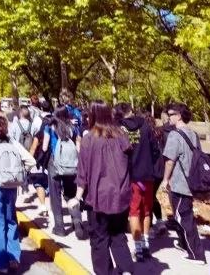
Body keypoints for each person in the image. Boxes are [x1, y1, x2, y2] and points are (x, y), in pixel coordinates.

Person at [72, 100, 133, 275]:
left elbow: (82, 173)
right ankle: (126, 269)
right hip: (120, 195)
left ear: (92, 114)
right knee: (118, 236)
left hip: (97, 198)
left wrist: (77, 197)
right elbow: (129, 163)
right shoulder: (121, 135)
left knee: (99, 240)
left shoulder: (89, 139)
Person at [0, 116, 36, 273]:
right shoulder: (13, 144)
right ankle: (13, 257)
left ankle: (0, 262)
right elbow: (31, 161)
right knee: (11, 220)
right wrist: (19, 174)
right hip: (11, 186)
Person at [160, 103, 207, 265]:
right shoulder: (193, 134)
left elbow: (169, 161)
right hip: (192, 181)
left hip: (179, 183)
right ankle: (185, 245)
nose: (168, 117)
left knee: (184, 218)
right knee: (185, 215)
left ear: (179, 116)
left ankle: (196, 254)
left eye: (171, 114)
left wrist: (165, 180)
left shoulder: (174, 135)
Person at [114, 103, 161, 261]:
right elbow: (155, 150)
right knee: (146, 210)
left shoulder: (119, 129)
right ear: (131, 112)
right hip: (147, 175)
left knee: (134, 212)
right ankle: (146, 244)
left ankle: (138, 247)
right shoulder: (146, 126)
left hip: (130, 176)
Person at [42, 106, 86, 239]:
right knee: (71, 193)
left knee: (55, 196)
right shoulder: (74, 127)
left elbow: (44, 147)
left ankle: (59, 227)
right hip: (71, 165)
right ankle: (77, 221)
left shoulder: (50, 127)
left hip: (55, 163)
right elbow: (79, 147)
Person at [28, 100, 53, 216]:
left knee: (39, 180)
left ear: (41, 109)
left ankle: (43, 205)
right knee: (52, 181)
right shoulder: (55, 119)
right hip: (53, 154)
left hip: (41, 154)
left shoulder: (38, 120)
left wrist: (30, 158)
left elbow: (34, 136)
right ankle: (54, 207)